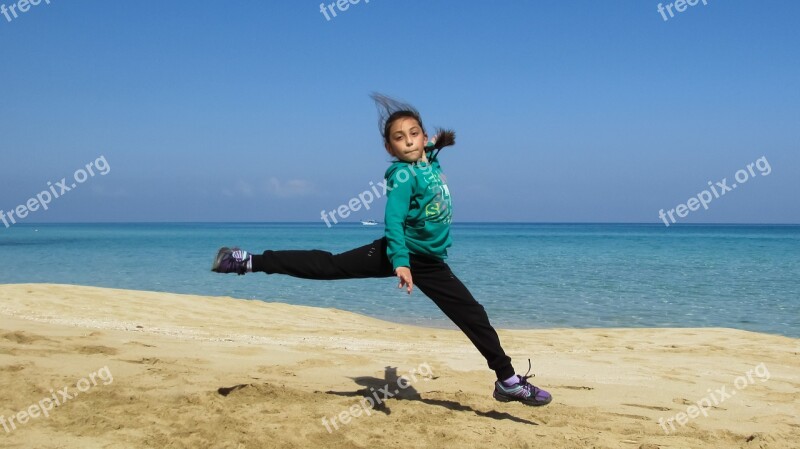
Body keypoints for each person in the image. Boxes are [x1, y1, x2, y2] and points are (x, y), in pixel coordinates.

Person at [211, 93, 552, 406]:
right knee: (330, 267)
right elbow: (393, 220)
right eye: (399, 138)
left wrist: (437, 142)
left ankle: (506, 381)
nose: (408, 142)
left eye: (413, 134)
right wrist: (401, 263)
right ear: (389, 148)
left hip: (429, 261)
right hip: (403, 254)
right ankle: (247, 261)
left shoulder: (426, 161)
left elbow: (428, 148)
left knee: (472, 315)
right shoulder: (403, 176)